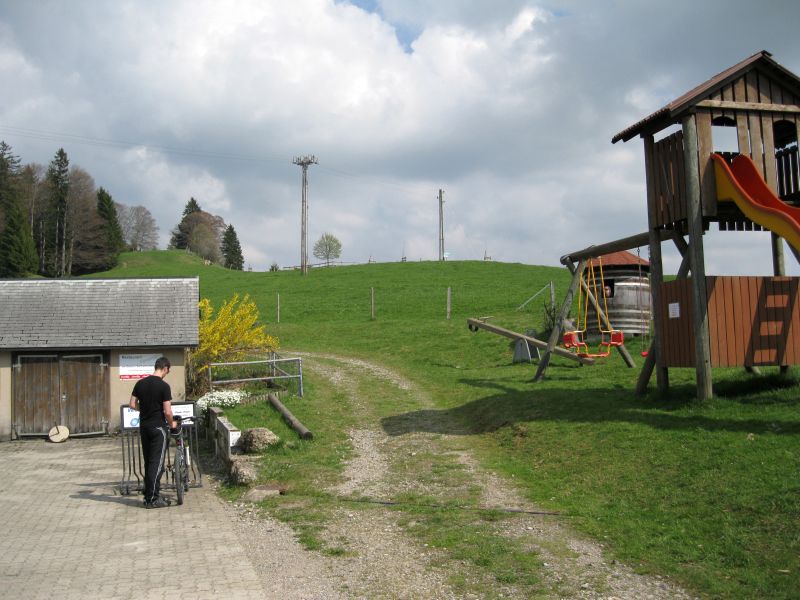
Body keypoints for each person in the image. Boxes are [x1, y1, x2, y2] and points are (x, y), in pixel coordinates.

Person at [129, 356, 176, 509]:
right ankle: (152, 499)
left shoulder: (140, 383)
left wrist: (143, 410)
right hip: (158, 428)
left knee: (149, 462)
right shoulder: (164, 386)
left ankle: (149, 494)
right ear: (165, 368)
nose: (166, 374)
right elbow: (168, 412)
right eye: (167, 371)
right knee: (157, 464)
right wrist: (172, 424)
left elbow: (131, 404)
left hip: (144, 427)